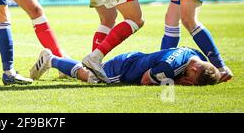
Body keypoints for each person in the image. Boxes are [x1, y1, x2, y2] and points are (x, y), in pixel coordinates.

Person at [30, 47, 221, 86]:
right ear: (194, 70)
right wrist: (178, 82)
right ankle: (51, 59)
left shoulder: (194, 54)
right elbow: (146, 79)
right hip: (123, 69)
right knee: (92, 78)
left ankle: (64, 65)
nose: (189, 81)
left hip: (132, 59)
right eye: (192, 80)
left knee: (89, 72)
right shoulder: (170, 68)